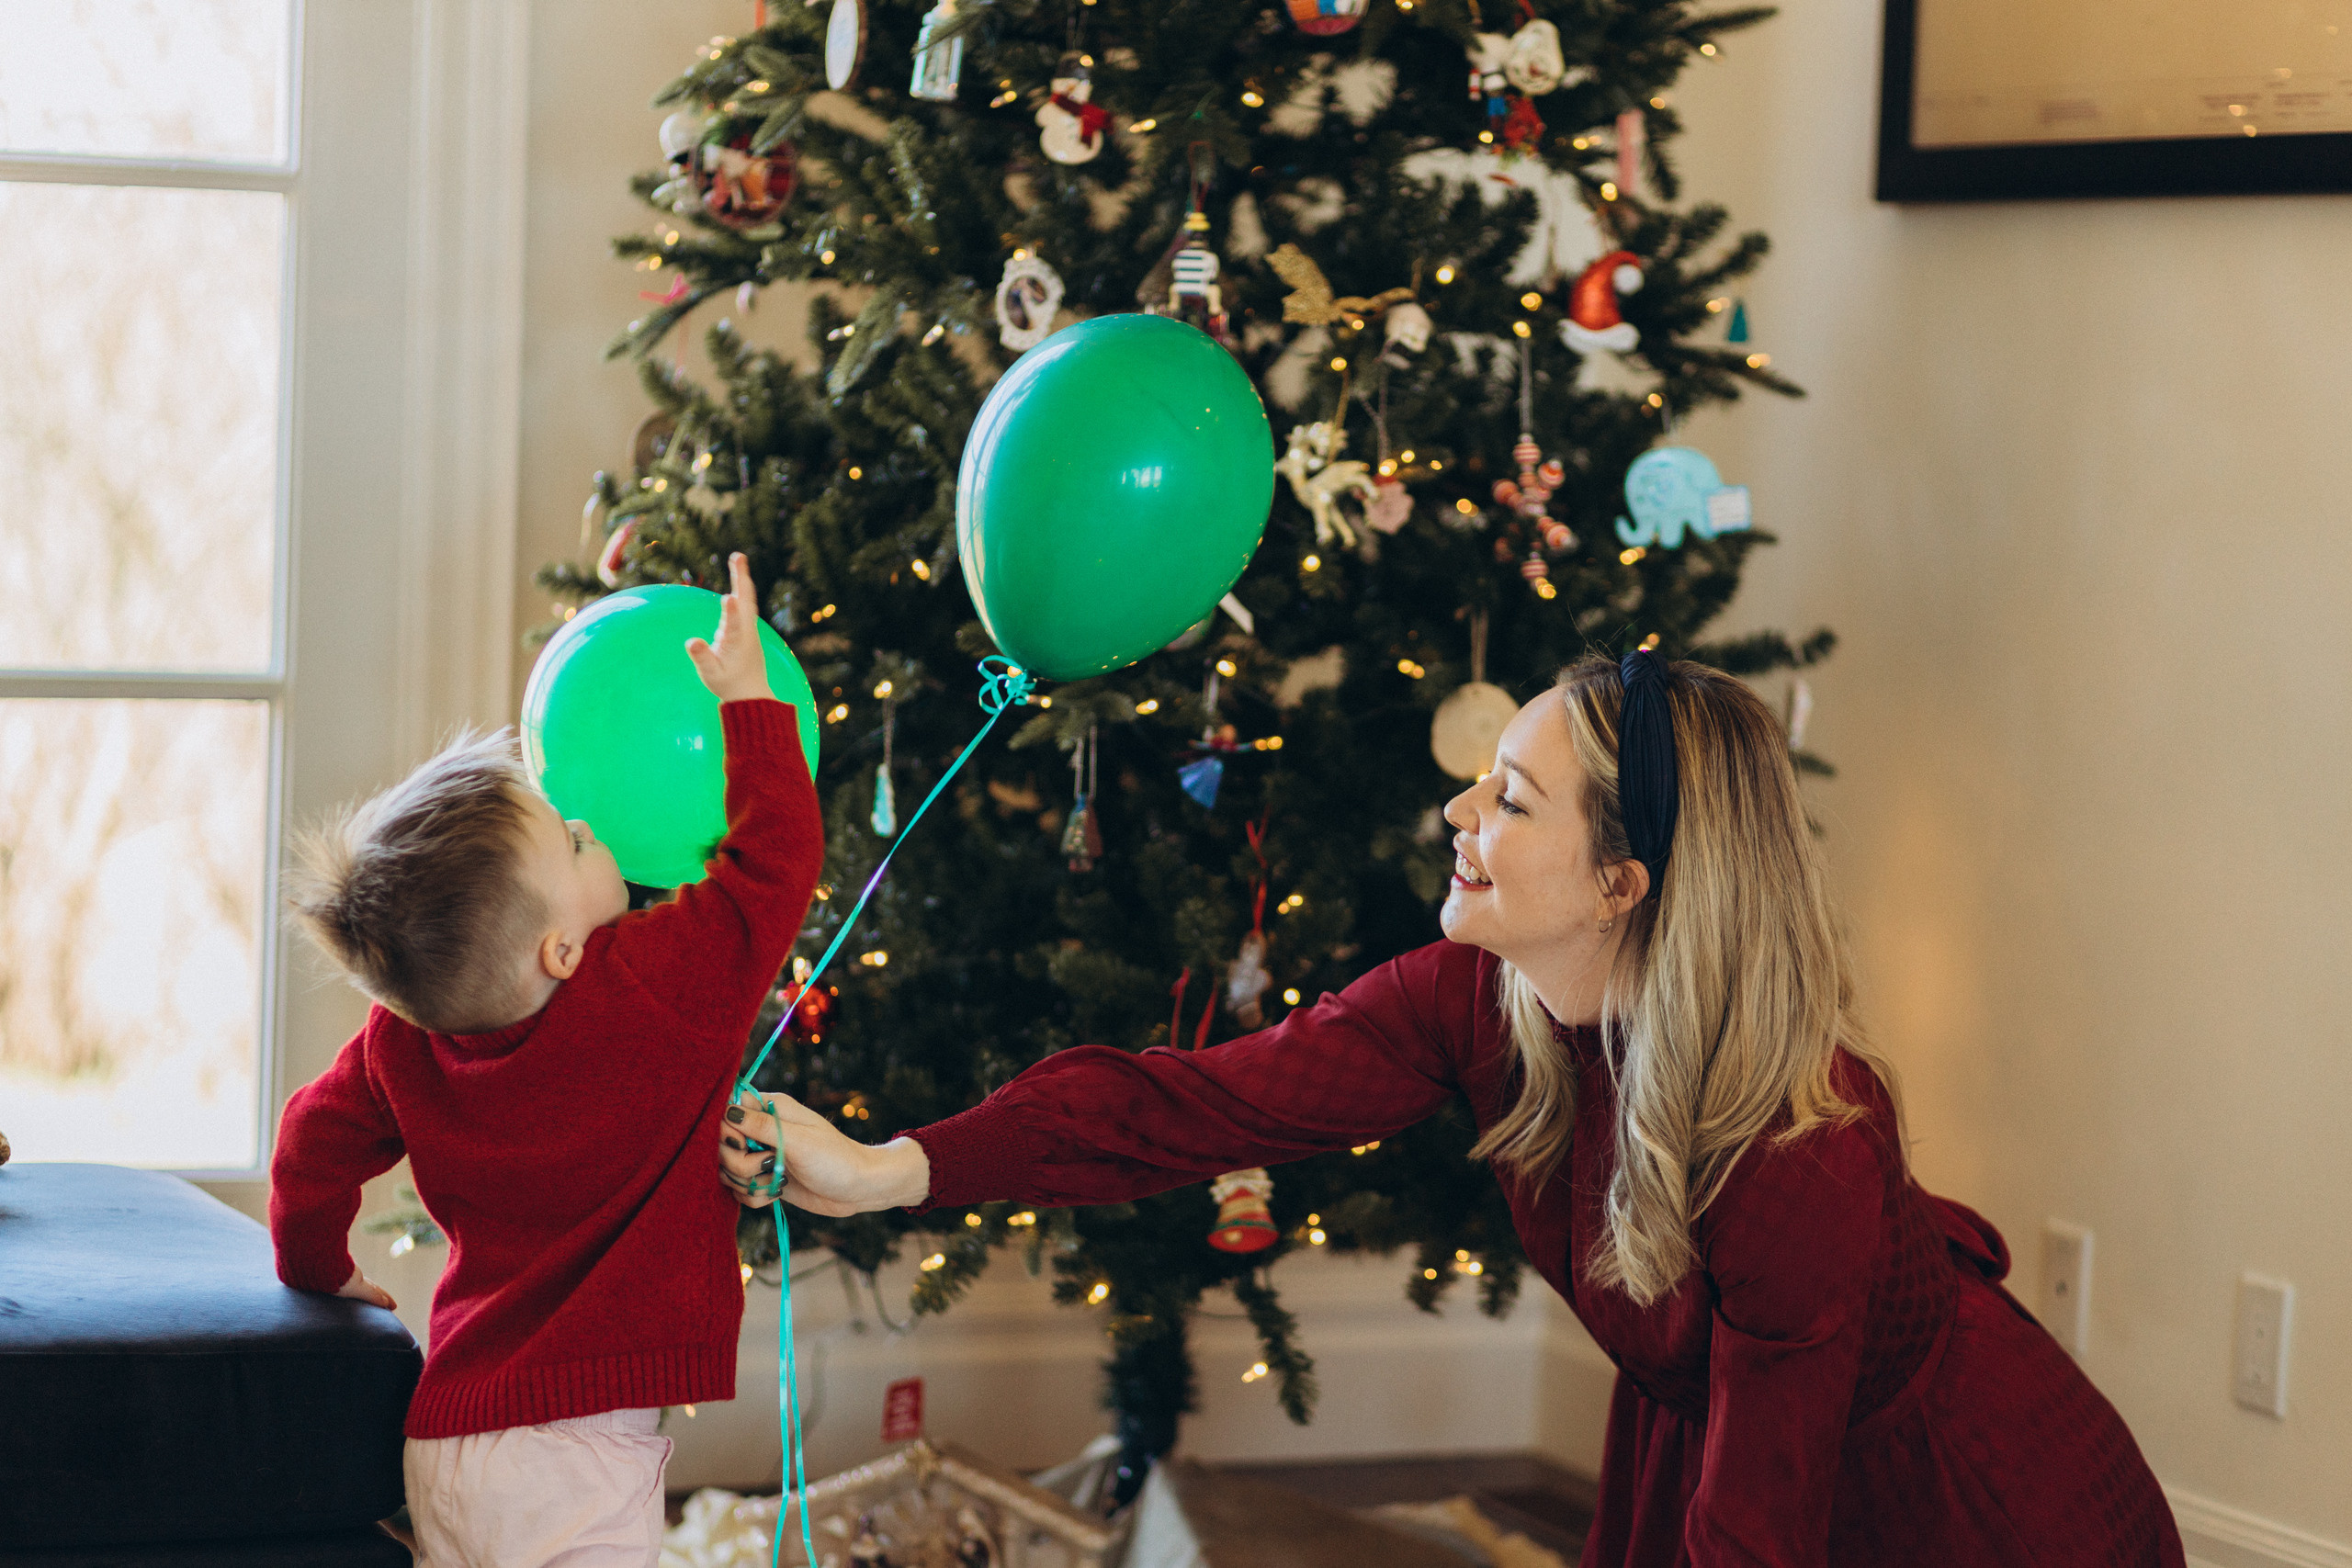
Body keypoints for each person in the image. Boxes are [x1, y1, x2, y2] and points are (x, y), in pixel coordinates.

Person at [723, 651, 2186, 1567]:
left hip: (1960, 1501)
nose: (1459, 816)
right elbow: (1180, 1108)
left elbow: (1760, 1521)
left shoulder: (1796, 1143)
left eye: (1512, 798)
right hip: (1725, 1451)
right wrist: (884, 1166)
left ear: (1625, 882)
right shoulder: (1474, 1000)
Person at [273, 555, 821, 1566]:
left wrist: (317, 1266)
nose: (589, 823)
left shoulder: (403, 1038)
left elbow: (308, 1141)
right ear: (559, 950)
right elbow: (771, 871)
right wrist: (748, 705)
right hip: (576, 1457)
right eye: (572, 838)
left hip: (447, 1437)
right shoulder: (651, 986)